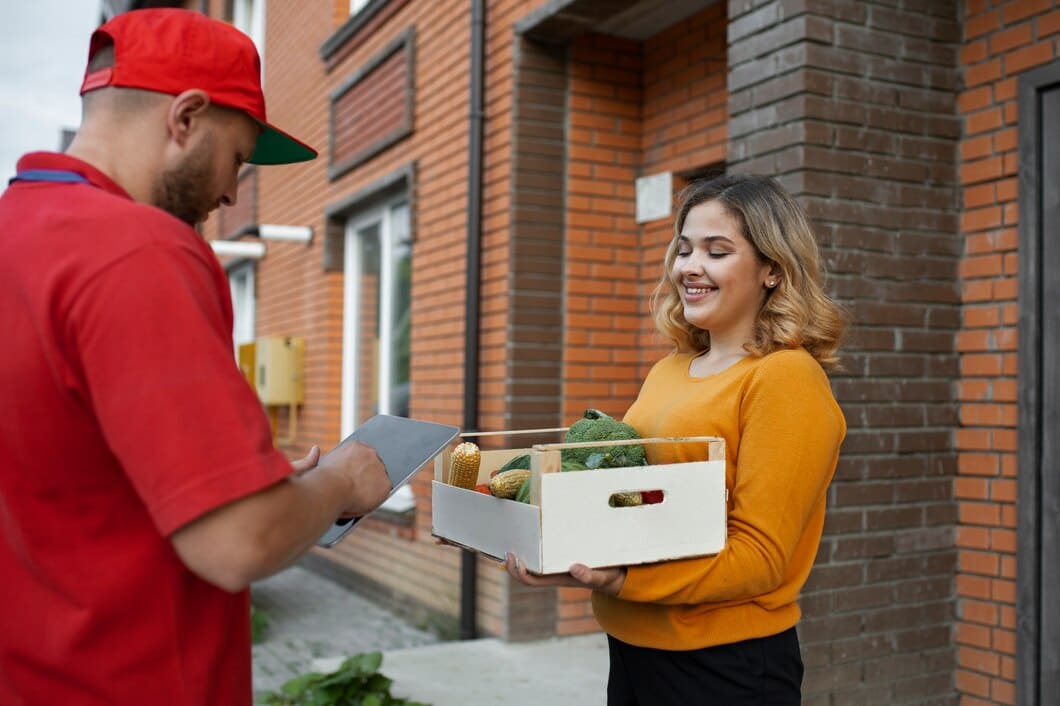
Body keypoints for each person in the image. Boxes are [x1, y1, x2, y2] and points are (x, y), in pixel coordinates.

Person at [0, 9, 392, 706]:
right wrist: (342, 481)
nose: (232, 191)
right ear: (185, 118)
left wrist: (257, 484)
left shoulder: (18, 235)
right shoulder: (139, 250)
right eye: (237, 157)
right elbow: (239, 541)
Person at [506, 174, 848, 705]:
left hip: (724, 665)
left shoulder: (785, 378)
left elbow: (760, 557)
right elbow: (635, 506)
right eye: (684, 249)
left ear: (773, 270)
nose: (689, 266)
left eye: (717, 251)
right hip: (633, 646)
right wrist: (570, 562)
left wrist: (621, 579)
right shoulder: (670, 369)